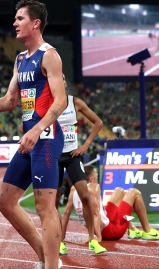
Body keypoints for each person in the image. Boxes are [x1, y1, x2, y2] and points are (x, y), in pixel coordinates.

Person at [0, 1, 67, 269]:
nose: (14, 23)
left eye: (20, 18)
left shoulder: (50, 56)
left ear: (35, 24)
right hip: (29, 140)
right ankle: (46, 261)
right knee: (5, 201)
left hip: (45, 139)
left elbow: (60, 101)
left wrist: (36, 129)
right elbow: (9, 101)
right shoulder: (21, 59)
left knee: (46, 207)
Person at [53, 74, 106, 256]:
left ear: (66, 83)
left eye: (63, 79)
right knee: (54, 201)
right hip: (54, 157)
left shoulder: (74, 102)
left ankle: (93, 239)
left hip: (73, 155)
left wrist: (85, 145)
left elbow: (98, 122)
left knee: (85, 195)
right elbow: (25, 126)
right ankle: (59, 241)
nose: (60, 82)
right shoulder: (46, 103)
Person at [72, 165, 159, 243]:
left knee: (119, 191)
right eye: (96, 176)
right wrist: (98, 237)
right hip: (111, 232)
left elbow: (68, 212)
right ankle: (148, 231)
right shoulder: (94, 188)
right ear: (91, 179)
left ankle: (132, 229)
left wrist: (61, 239)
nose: (98, 177)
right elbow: (96, 213)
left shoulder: (74, 190)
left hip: (103, 224)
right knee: (135, 192)